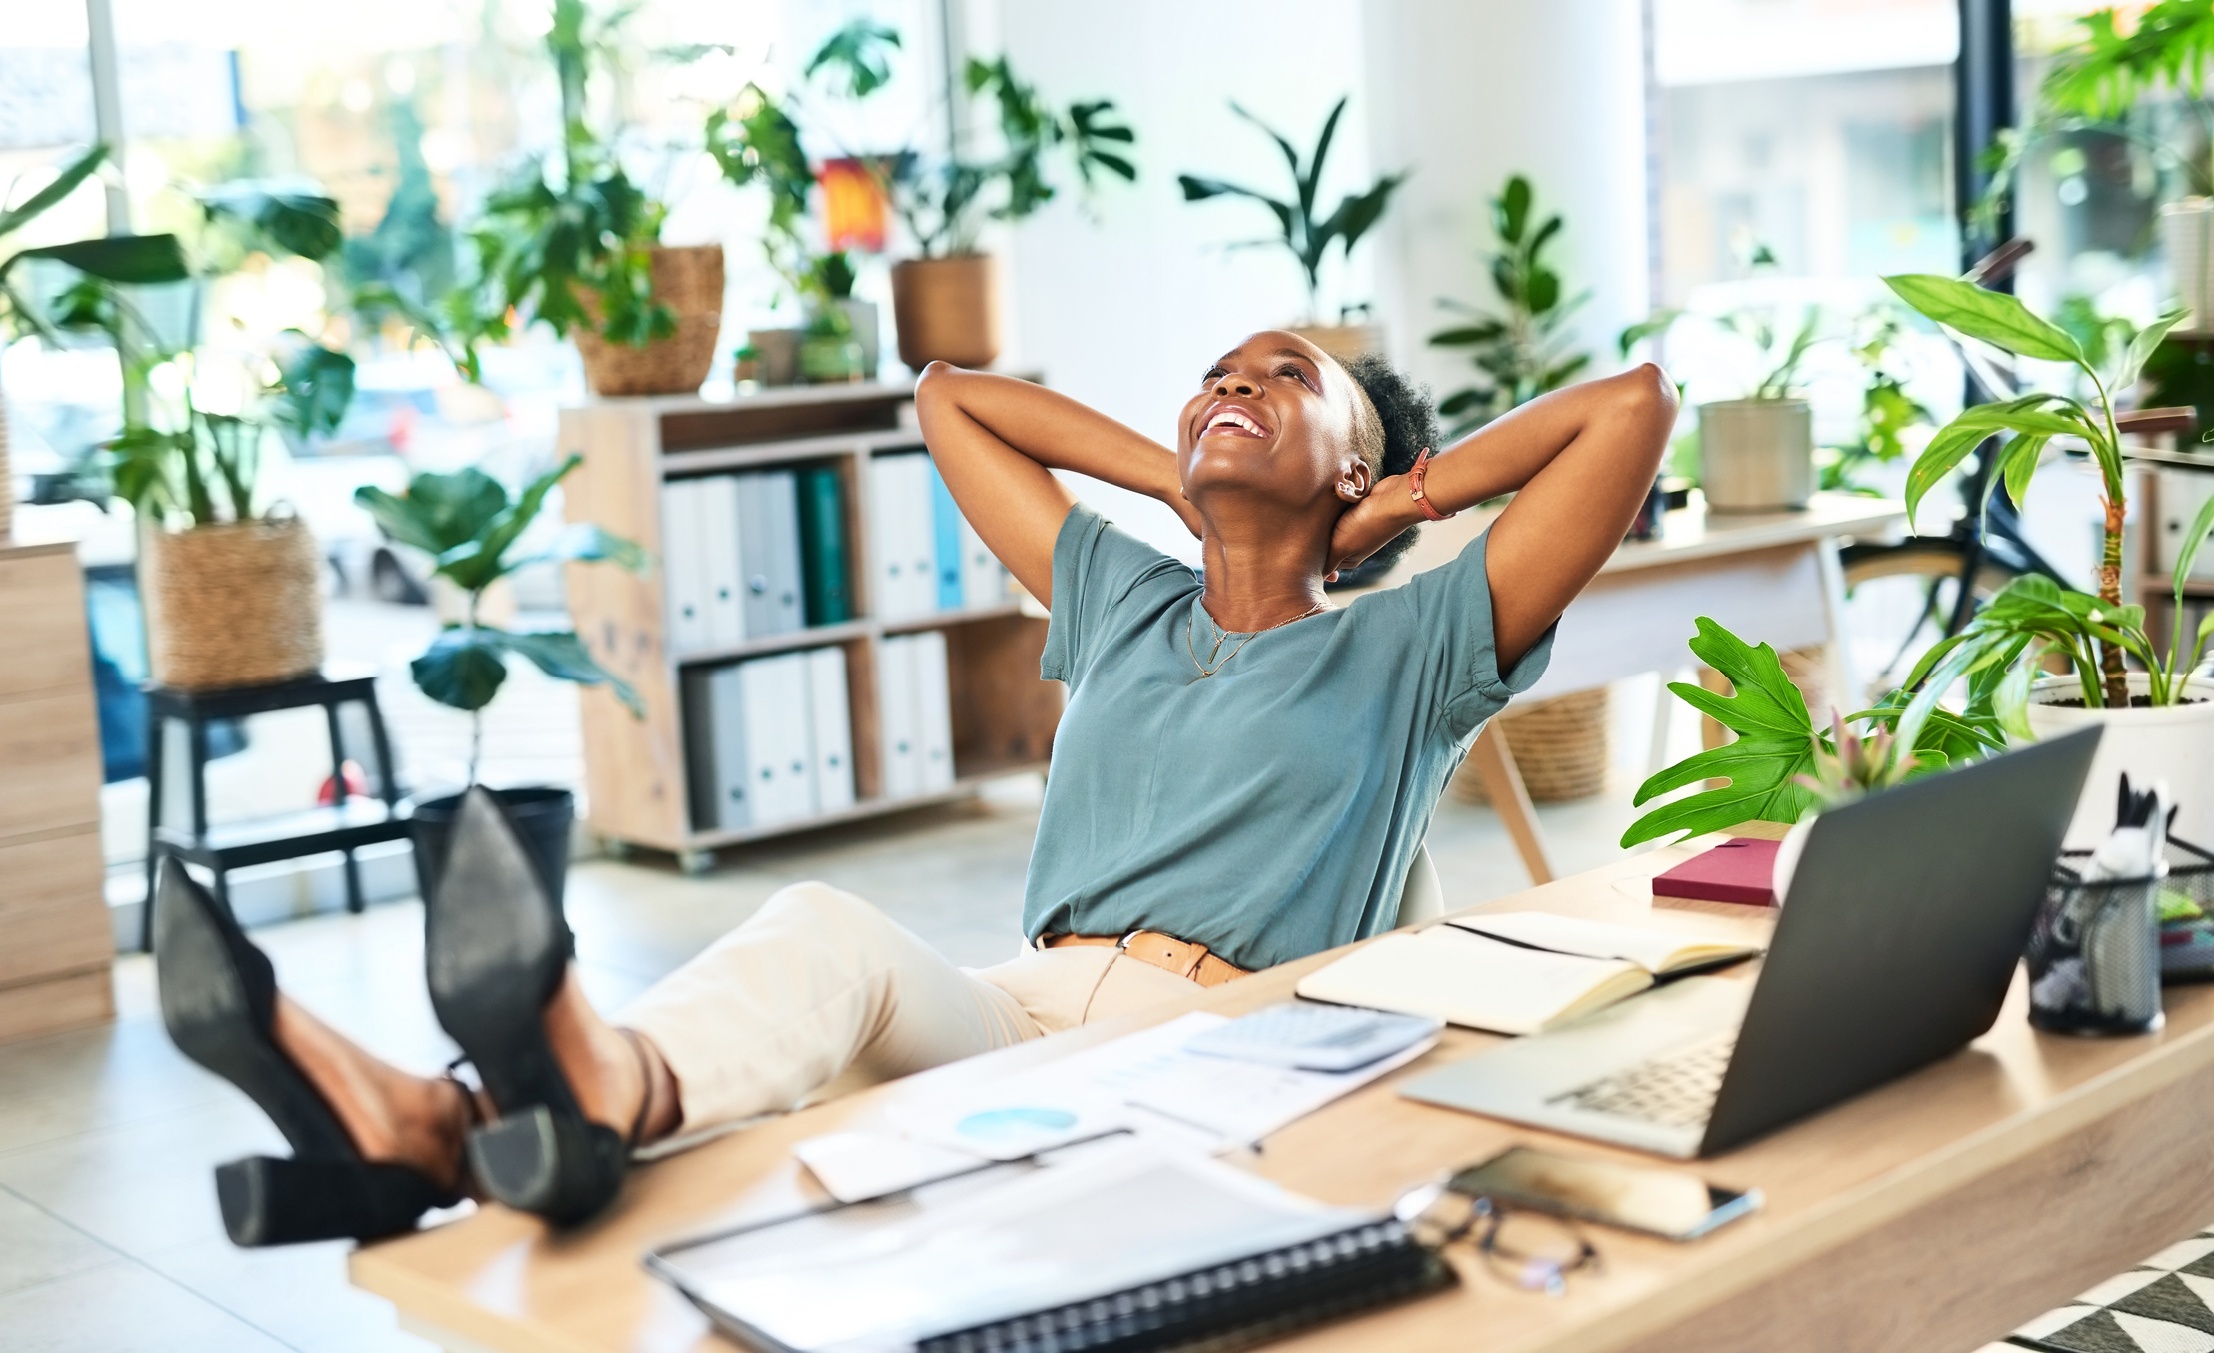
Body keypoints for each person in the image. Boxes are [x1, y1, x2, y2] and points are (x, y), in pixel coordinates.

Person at [152, 332, 1676, 1244]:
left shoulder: (1414, 643)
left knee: (770, 1062)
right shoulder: (1123, 596)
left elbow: (1629, 411)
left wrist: (1397, 505)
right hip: (1024, 1004)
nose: (1235, 379)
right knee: (821, 935)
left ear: (1360, 473)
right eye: (1216, 369)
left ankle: (462, 1121)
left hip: (1216, 1041)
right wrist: (1185, 465)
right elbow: (951, 396)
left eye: (1289, 379)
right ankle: (436, 1122)